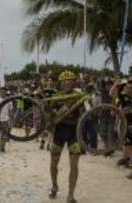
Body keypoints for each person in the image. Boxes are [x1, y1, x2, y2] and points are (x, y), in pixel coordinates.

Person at [48, 71, 81, 203]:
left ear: (74, 82)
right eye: (64, 81)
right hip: (59, 133)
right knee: (53, 164)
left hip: (74, 134)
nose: (67, 83)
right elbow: (50, 118)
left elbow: (88, 114)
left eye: (70, 80)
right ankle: (54, 186)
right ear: (60, 83)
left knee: (74, 166)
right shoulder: (57, 97)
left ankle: (70, 195)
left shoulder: (79, 96)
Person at [0, 87, 12, 152]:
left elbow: (10, 111)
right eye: (2, 91)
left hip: (5, 120)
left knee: (3, 135)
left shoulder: (9, 100)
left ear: (6, 92)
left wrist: (11, 119)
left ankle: (2, 147)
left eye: (4, 91)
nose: (3, 92)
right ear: (0, 91)